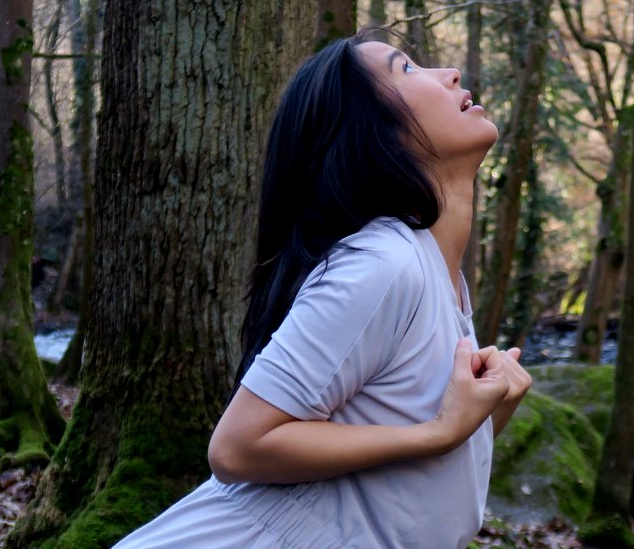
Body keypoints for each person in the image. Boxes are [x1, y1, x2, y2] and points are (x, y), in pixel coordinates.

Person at [114, 33, 532, 548]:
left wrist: (481, 421)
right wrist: (440, 432)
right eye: (406, 69)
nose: (449, 73)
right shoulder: (383, 265)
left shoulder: (435, 278)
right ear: (372, 136)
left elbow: (395, 488)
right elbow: (238, 448)